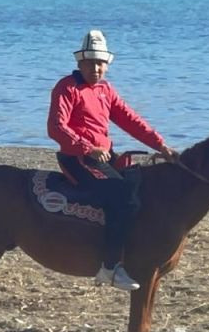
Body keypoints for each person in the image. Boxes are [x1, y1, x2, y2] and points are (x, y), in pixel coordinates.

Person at [47, 30, 177, 292]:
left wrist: (160, 144)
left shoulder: (106, 90)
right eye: (91, 62)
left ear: (106, 65)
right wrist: (87, 147)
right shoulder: (67, 88)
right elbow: (56, 128)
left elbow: (130, 120)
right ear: (80, 63)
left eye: (100, 63)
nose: (96, 68)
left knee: (139, 184)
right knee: (122, 197)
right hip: (78, 158)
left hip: (103, 155)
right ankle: (109, 267)